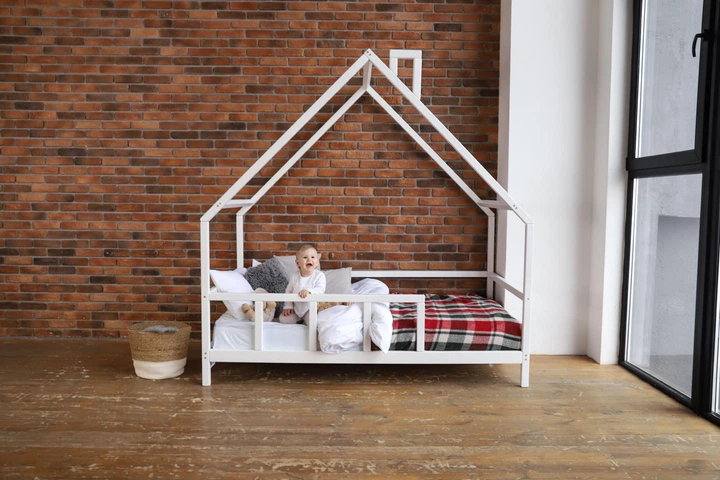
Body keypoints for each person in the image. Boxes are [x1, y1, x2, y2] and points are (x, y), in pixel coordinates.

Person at [278, 244, 326, 324]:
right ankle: (299, 320)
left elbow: (320, 290)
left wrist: (309, 291)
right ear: (298, 263)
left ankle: (306, 320)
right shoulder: (294, 276)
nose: (309, 259)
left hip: (310, 309)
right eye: (305, 257)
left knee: (313, 321)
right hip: (296, 310)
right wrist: (288, 306)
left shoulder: (319, 276)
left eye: (312, 257)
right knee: (283, 319)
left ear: (317, 262)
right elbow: (289, 291)